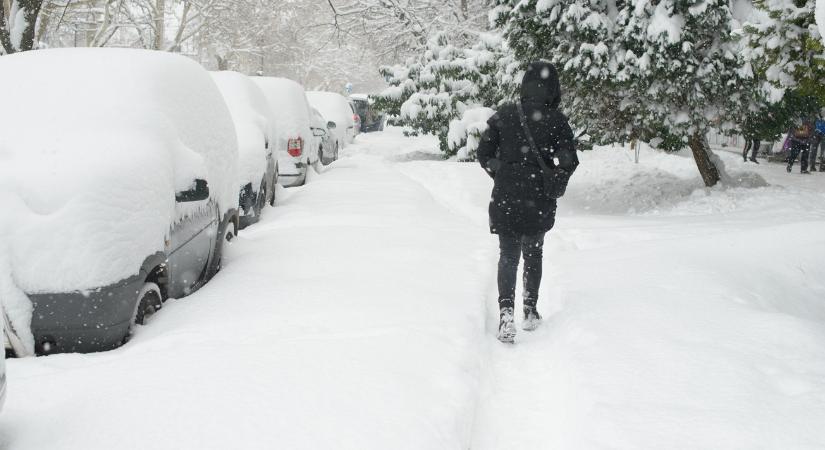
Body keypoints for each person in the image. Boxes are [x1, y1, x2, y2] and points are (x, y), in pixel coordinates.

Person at [477, 61, 578, 343]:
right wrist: (556, 175)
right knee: (533, 252)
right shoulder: (556, 120)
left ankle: (506, 314)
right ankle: (530, 309)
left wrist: (502, 171)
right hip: (538, 195)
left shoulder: (505, 115)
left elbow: (483, 153)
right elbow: (570, 159)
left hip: (507, 194)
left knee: (508, 255)